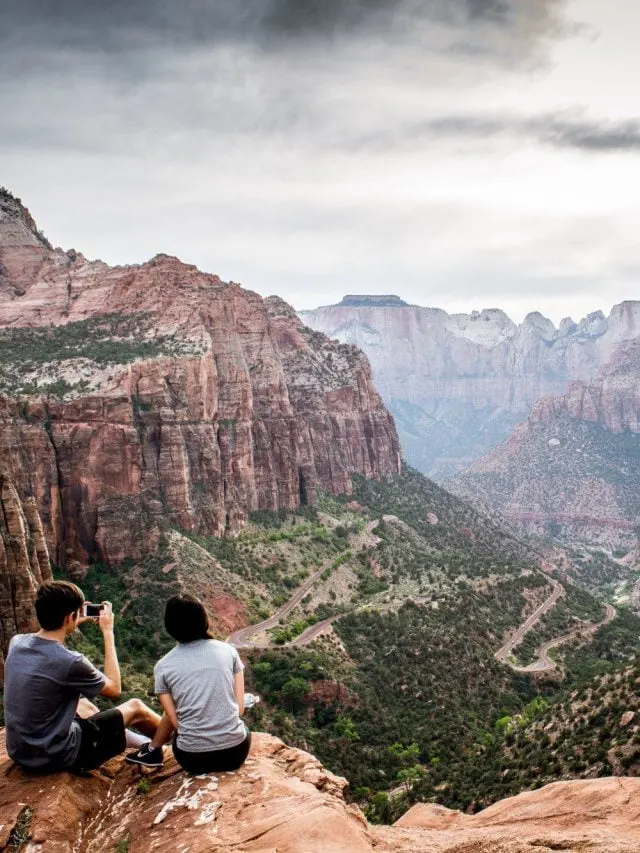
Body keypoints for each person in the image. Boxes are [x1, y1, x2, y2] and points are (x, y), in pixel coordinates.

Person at [3, 580, 163, 773]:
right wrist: (108, 632)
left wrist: (71, 620)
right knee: (136, 707)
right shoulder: (71, 661)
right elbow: (114, 689)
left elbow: (50, 644)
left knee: (83, 704)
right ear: (70, 616)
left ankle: (138, 742)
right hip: (60, 757)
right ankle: (171, 744)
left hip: (21, 752)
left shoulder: (17, 643)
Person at [126, 593, 251, 774]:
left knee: (178, 702)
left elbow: (176, 723)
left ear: (170, 627)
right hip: (235, 753)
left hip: (191, 758)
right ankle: (153, 750)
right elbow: (239, 710)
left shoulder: (163, 666)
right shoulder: (228, 651)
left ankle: (153, 750)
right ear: (204, 620)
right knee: (240, 728)